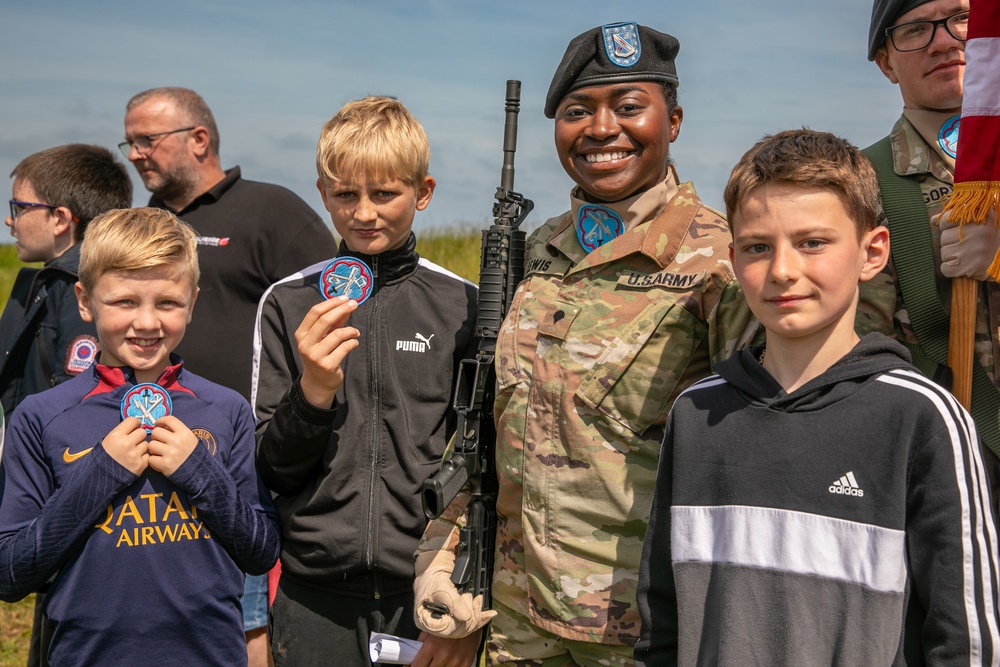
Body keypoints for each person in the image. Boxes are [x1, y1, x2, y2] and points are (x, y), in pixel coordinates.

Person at [413, 22, 757, 667]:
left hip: (648, 628)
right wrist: (443, 563)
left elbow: (753, 454)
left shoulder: (722, 261)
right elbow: (483, 423)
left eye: (629, 107)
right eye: (578, 111)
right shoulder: (532, 251)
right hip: (513, 621)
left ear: (673, 120)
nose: (602, 129)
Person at [635, 128, 1000, 665]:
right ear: (733, 259)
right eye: (759, 247)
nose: (783, 271)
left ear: (871, 252)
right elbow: (661, 621)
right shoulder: (696, 413)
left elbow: (966, 639)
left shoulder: (923, 417)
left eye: (812, 243)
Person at [0, 207, 281, 666]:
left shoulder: (225, 409)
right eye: (125, 302)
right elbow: (10, 573)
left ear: (192, 301)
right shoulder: (42, 416)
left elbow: (260, 550)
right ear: (85, 300)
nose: (148, 323)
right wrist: (103, 471)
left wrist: (198, 470)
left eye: (167, 303)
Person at [251, 96, 477, 666]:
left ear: (423, 193)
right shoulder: (288, 301)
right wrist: (314, 394)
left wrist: (464, 599)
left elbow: (484, 467)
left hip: (426, 591)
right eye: (346, 194)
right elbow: (268, 468)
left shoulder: (463, 306)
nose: (364, 213)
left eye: (385, 194)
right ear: (323, 194)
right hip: (313, 594)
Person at [122, 86, 338, 662]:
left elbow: (331, 315)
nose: (136, 153)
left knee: (244, 630)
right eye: (130, 142)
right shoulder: (138, 225)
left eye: (147, 139)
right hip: (138, 457)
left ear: (199, 139)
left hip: (239, 461)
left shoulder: (273, 211)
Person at [860, 0, 1000, 494]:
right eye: (916, 29)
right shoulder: (857, 184)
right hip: (939, 469)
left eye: (963, 18)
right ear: (886, 63)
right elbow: (854, 354)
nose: (945, 41)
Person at [1, 144, 132, 417]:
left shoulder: (81, 287)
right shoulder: (54, 281)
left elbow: (77, 403)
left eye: (20, 207)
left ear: (60, 219)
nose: (9, 220)